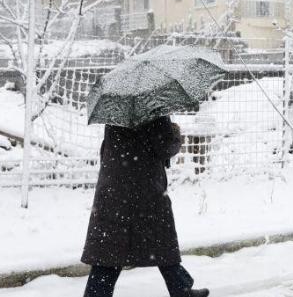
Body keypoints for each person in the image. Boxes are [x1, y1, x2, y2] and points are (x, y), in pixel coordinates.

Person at [81, 116, 209, 297]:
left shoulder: (115, 113)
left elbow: (105, 150)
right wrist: (174, 134)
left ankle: (181, 290)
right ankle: (181, 291)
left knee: (111, 250)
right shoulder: (154, 111)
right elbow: (165, 147)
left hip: (114, 192)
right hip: (145, 192)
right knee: (161, 243)